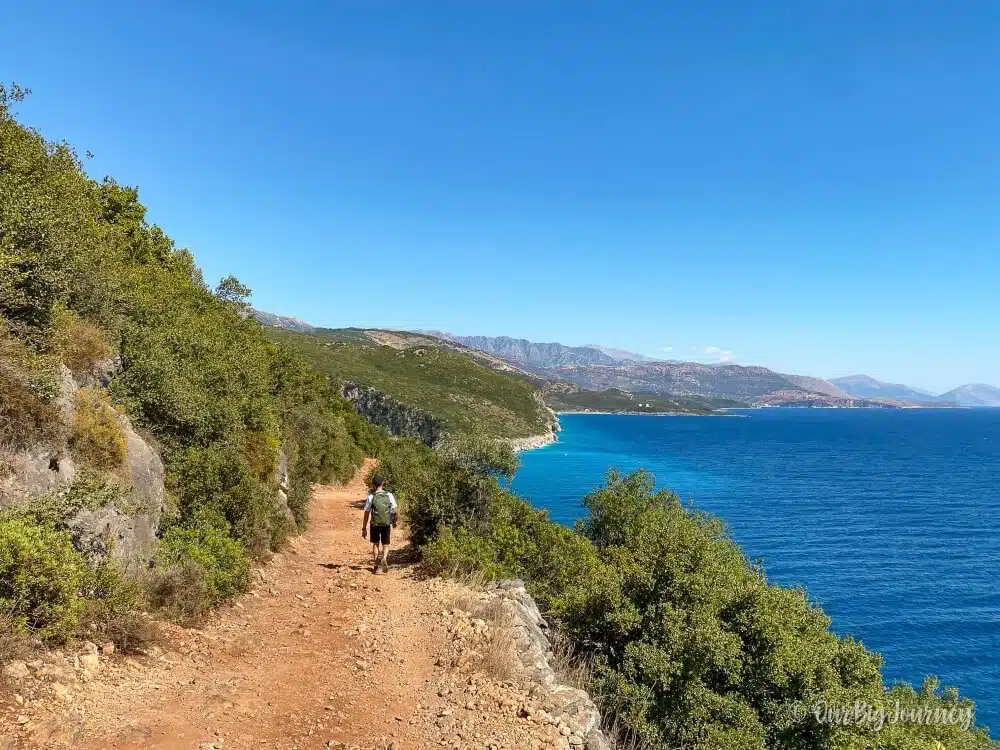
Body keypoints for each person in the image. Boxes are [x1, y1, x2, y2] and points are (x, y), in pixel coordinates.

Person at [361, 474, 397, 574]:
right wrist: (394, 521)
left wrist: (364, 528)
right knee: (386, 544)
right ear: (382, 483)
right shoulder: (389, 495)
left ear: (373, 484)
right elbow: (394, 509)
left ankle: (376, 564)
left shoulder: (371, 497)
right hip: (386, 523)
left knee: (375, 544)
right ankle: (384, 558)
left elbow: (366, 513)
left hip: (374, 524)